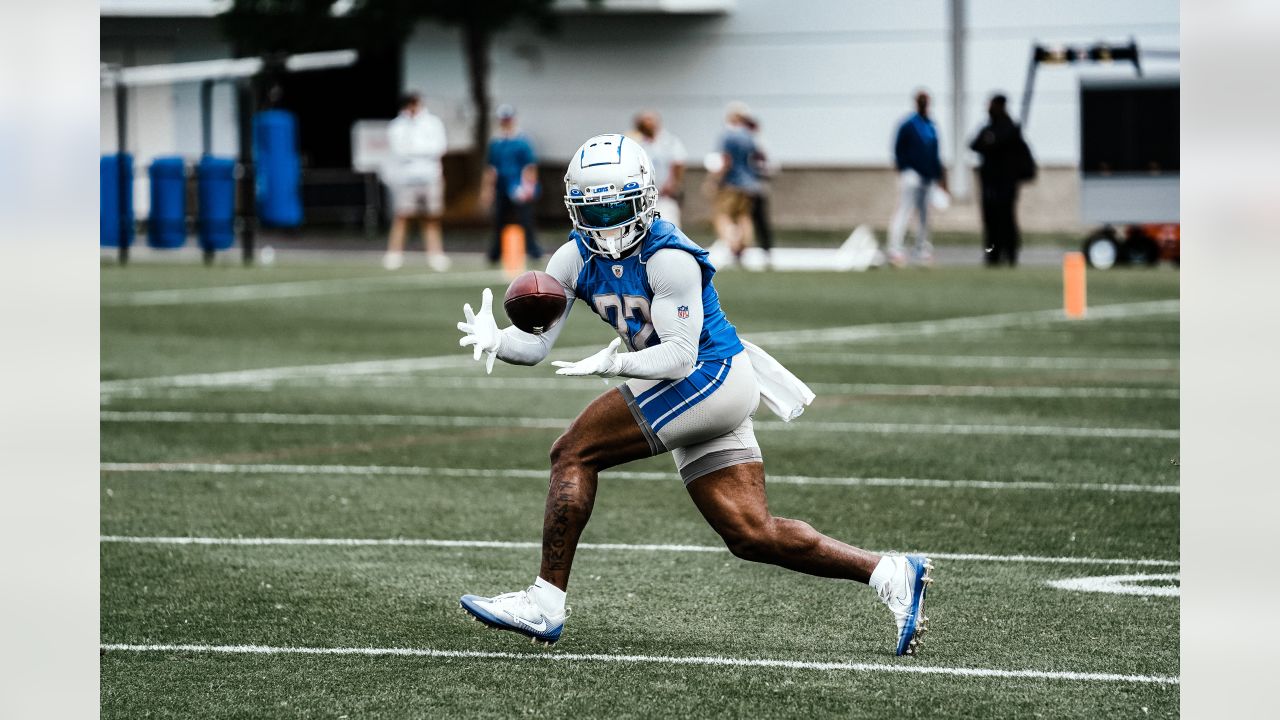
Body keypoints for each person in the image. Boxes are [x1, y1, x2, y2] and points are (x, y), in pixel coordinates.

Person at [455, 133, 934, 656]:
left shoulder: (669, 257)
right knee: (751, 533)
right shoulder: (572, 258)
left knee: (573, 451)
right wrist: (499, 340)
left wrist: (614, 362)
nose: (606, 220)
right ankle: (890, 573)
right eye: (593, 209)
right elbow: (537, 345)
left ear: (642, 198)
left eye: (615, 204)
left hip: (708, 376)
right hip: (699, 384)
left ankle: (544, 605)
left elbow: (680, 356)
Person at [383, 92, 450, 272]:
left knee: (431, 217)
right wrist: (421, 151)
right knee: (402, 215)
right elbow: (399, 151)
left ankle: (435, 254)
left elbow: (439, 147)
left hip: (430, 176)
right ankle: (394, 254)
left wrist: (415, 151)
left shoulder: (432, 123)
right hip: (406, 178)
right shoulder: (396, 126)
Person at [970, 94, 1034, 266]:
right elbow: (974, 144)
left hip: (1005, 184)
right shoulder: (989, 129)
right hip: (990, 184)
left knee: (1006, 220)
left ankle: (1010, 254)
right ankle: (993, 254)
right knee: (991, 222)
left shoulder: (1010, 129)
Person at [887, 90, 948, 268]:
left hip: (928, 176)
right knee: (905, 209)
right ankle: (895, 248)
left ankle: (921, 248)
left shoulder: (930, 125)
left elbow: (936, 152)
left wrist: (939, 176)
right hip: (912, 174)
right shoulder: (908, 125)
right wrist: (904, 167)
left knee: (924, 214)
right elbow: (898, 148)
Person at [482, 104, 544, 264]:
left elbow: (530, 166)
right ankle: (496, 252)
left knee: (525, 220)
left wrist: (528, 187)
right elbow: (491, 168)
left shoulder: (522, 142)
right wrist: (487, 190)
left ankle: (533, 250)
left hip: (518, 186)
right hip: (502, 187)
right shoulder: (496, 143)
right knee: (499, 220)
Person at [707, 102, 762, 262]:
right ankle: (744, 244)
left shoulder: (727, 135)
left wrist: (714, 180)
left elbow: (726, 160)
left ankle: (733, 243)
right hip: (749, 182)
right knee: (744, 216)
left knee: (722, 215)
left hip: (731, 183)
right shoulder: (749, 136)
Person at [629, 110, 687, 226]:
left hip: (664, 195)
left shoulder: (669, 141)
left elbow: (678, 162)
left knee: (668, 224)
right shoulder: (636, 143)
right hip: (642, 196)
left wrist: (673, 183)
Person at [743, 113, 776, 264]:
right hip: (750, 187)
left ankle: (764, 248)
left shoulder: (755, 144)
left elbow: (768, 167)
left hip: (753, 187)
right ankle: (748, 248)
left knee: (756, 219)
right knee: (749, 220)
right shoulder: (754, 143)